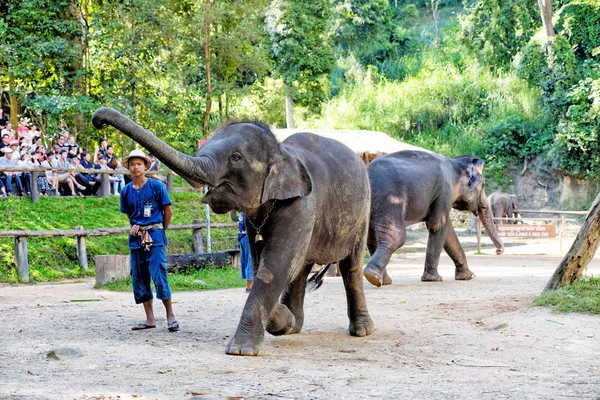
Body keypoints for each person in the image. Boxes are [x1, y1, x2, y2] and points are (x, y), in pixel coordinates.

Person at [120, 149, 179, 332]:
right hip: (136, 239)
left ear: (146, 166)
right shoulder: (126, 191)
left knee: (159, 274)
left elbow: (167, 211)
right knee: (139, 277)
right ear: (128, 167)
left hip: (155, 237)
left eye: (139, 163)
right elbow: (130, 214)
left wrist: (159, 229)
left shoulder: (156, 187)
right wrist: (136, 226)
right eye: (132, 164)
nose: (135, 167)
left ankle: (170, 315)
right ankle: (150, 319)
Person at [230, 211, 253, 293]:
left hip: (242, 236)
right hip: (247, 236)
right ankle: (250, 286)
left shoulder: (241, 211)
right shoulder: (247, 211)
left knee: (246, 260)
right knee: (250, 261)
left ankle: (250, 285)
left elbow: (234, 217)